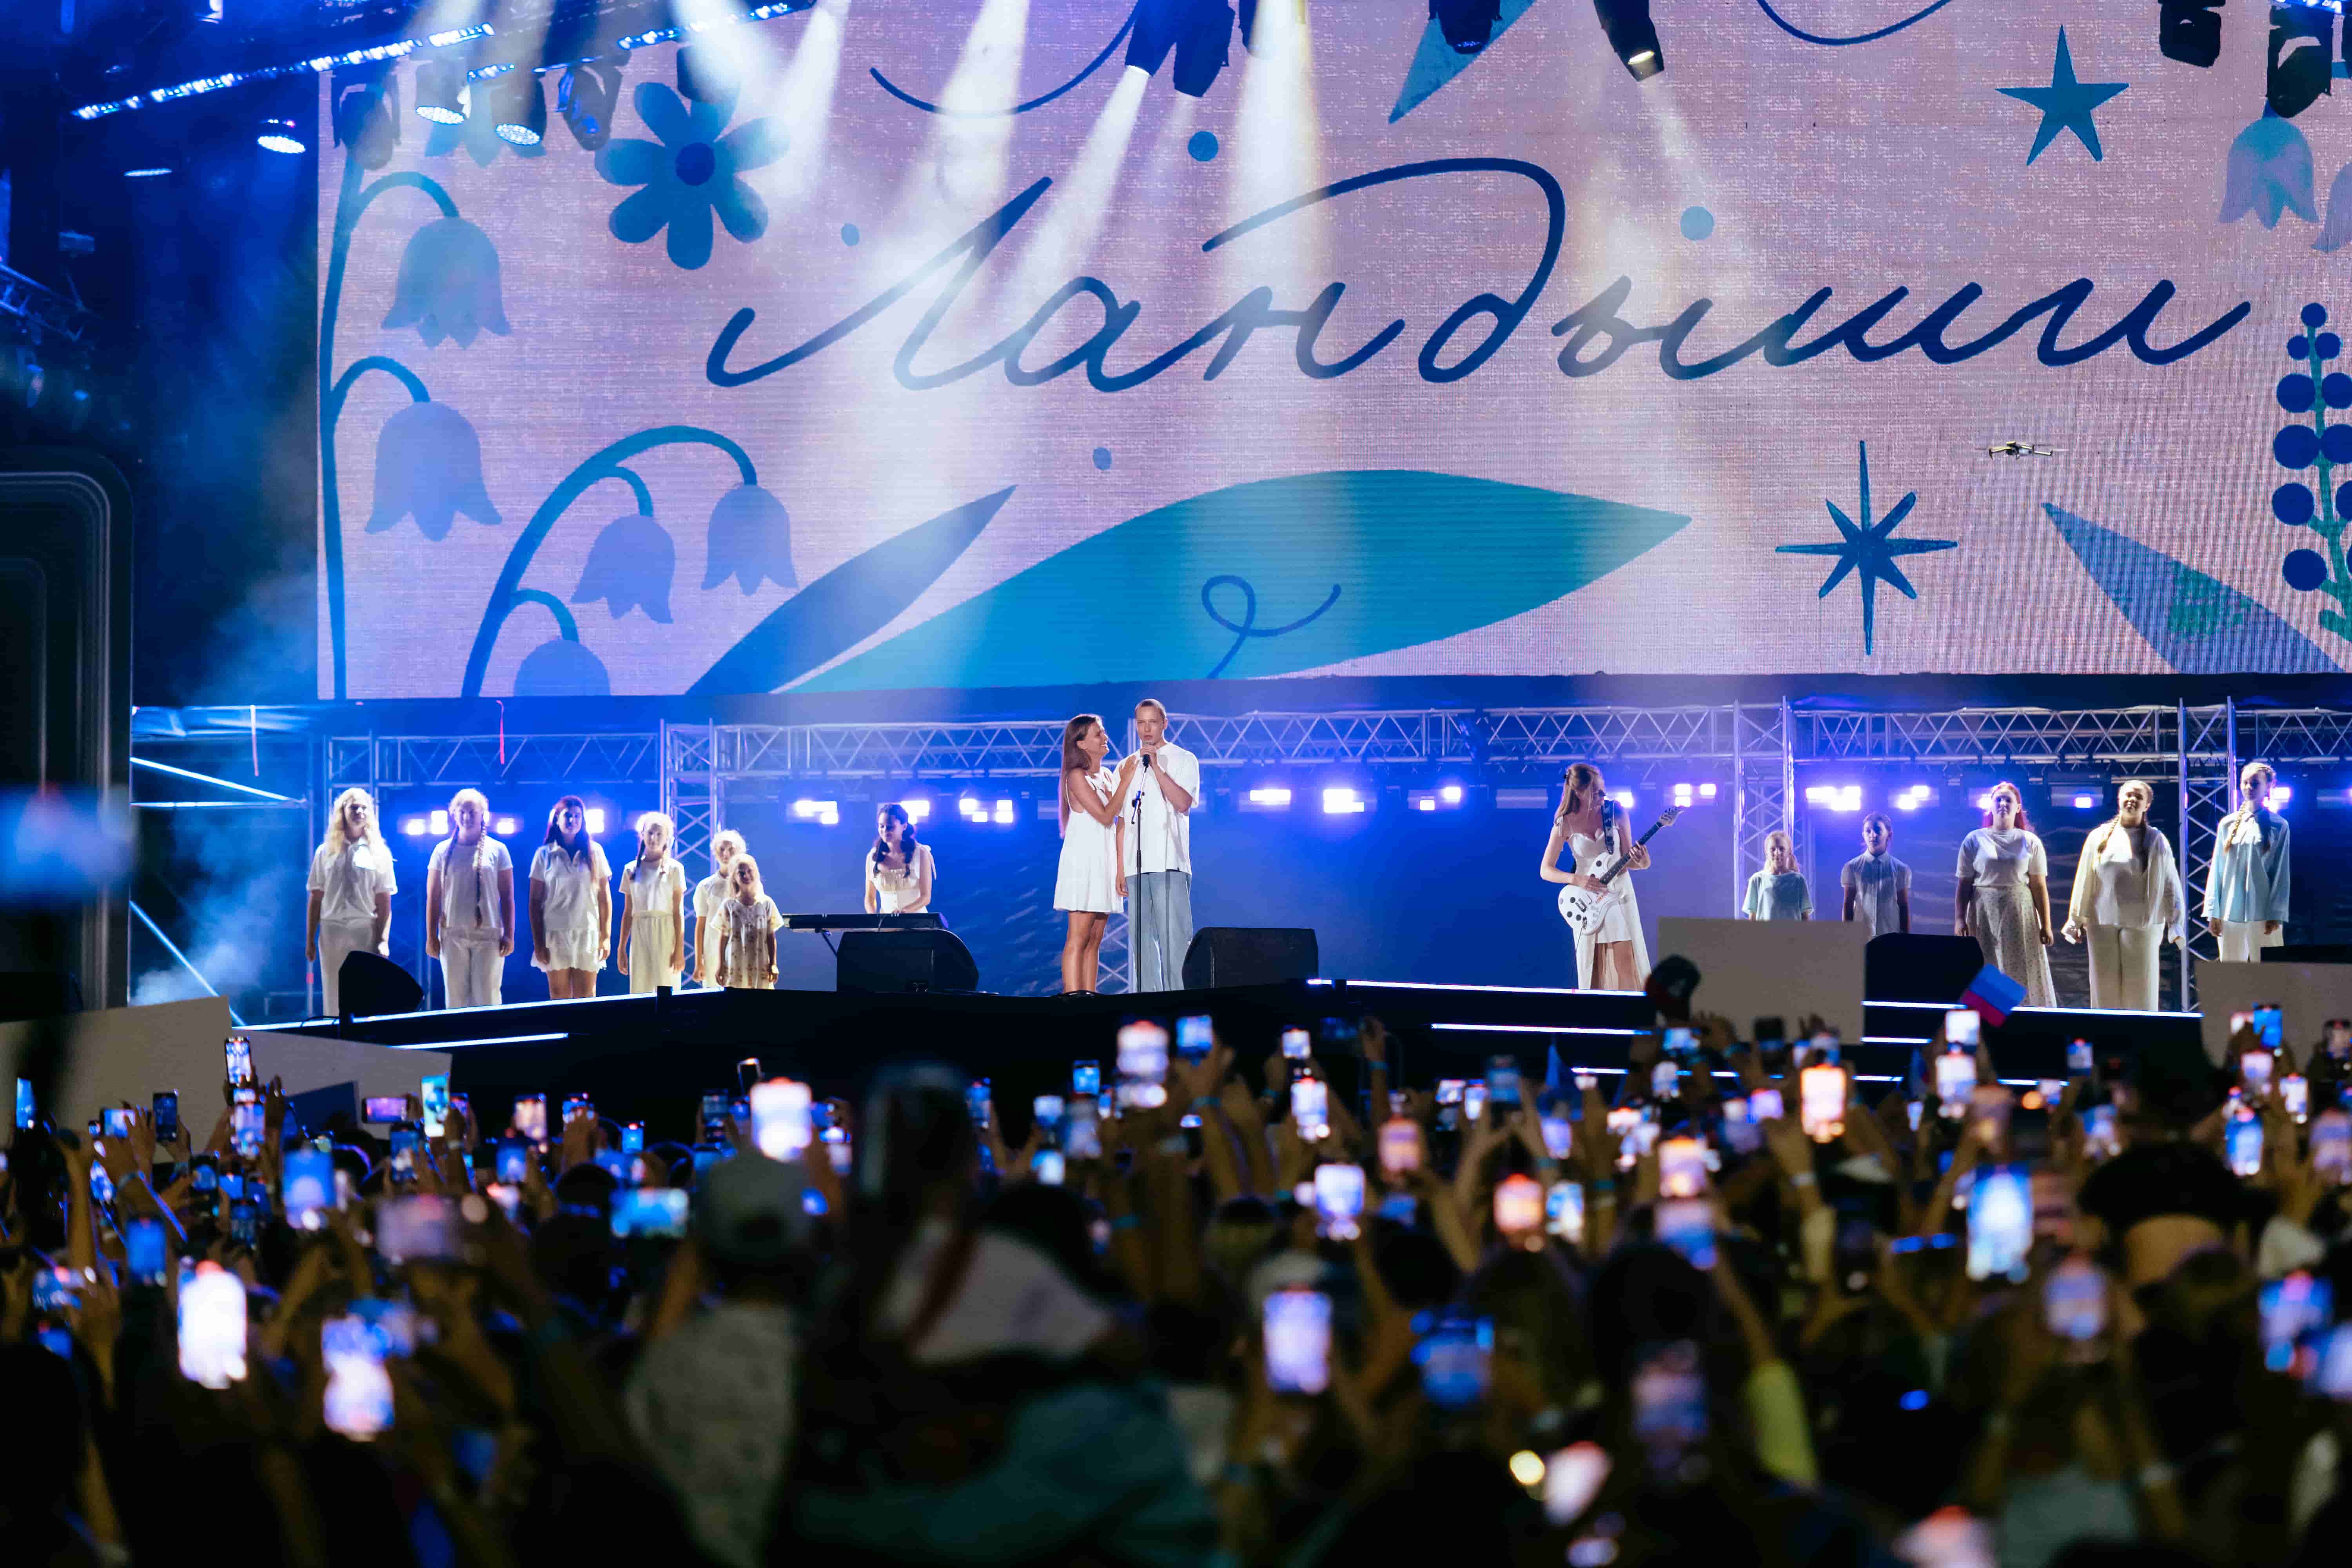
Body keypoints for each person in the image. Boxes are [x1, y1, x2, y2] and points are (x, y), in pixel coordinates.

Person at [2063, 780, 2186, 1011]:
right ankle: (2107, 1031)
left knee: (2141, 993)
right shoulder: (2098, 837)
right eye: (2129, 795)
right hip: (2101, 921)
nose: (2132, 800)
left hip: (2142, 924)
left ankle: (2140, 1032)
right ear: (2119, 799)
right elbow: (2084, 878)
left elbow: (2170, 883)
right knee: (2104, 990)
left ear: (2147, 806)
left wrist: (2175, 923)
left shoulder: (2156, 840)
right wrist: (2076, 919)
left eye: (2139, 797)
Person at [1539, 762, 1650, 990]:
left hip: (1619, 894)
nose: (1603, 796)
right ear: (1579, 793)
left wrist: (1643, 861)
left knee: (1625, 962)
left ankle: (1631, 1010)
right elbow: (1546, 870)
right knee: (1593, 967)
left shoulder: (1616, 812)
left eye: (1603, 790)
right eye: (1596, 792)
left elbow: (1629, 861)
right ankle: (1596, 1010)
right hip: (1587, 899)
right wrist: (1577, 880)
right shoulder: (1564, 823)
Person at [1119, 698, 1201, 992]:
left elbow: (1183, 803)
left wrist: (1155, 766)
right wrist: (1120, 869)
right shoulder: (1126, 765)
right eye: (1141, 723)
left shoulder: (1184, 759)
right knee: (1141, 945)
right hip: (1136, 867)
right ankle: (1148, 1004)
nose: (1147, 729)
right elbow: (1122, 820)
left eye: (1152, 722)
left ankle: (1179, 1002)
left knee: (1174, 941)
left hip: (1170, 863)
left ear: (1164, 724)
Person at [1955, 780, 2055, 1007]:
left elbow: (2039, 886)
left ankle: (2021, 1016)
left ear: (2018, 807)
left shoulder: (2030, 841)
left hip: (2019, 912)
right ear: (1990, 806)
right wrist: (1960, 919)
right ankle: (1990, 1019)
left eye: (2008, 800)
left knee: (2019, 965)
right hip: (1983, 912)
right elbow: (1964, 884)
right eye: (1998, 799)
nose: (2003, 803)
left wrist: (2046, 925)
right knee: (1988, 967)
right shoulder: (1974, 840)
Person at [305, 785, 397, 1016]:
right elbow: (316, 898)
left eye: (364, 808)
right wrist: (310, 939)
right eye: (354, 807)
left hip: (364, 930)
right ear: (343, 811)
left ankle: (364, 1038)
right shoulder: (325, 852)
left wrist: (383, 940)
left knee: (363, 994)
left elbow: (385, 902)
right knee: (333, 993)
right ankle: (335, 1037)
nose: (359, 812)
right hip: (332, 931)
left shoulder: (380, 853)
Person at [424, 788, 515, 1010]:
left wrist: (510, 935)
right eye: (462, 812)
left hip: (489, 934)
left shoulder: (498, 850)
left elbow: (508, 897)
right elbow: (433, 897)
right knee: (456, 999)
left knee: (488, 997)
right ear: (454, 815)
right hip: (452, 934)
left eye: (472, 812)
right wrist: (431, 936)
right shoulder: (441, 851)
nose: (467, 817)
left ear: (483, 814)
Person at [1054, 713, 1125, 993]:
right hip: (1084, 862)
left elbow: (1120, 820)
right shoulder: (1076, 776)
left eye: (1103, 732)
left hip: (1104, 861)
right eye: (1098, 734)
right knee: (1079, 937)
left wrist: (1120, 869)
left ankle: (1089, 995)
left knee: (1095, 938)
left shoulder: (1106, 775)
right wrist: (1126, 781)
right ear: (1081, 744)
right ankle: (1073, 998)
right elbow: (1106, 816)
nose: (1105, 737)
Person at [2205, 759, 2291, 962]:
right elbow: (2217, 870)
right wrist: (2213, 911)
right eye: (2245, 783)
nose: (2249, 787)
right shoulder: (2227, 824)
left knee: (2270, 972)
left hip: (2264, 912)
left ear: (2268, 786)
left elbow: (2281, 874)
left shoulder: (2280, 826)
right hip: (2229, 912)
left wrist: (2276, 914)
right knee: (2232, 973)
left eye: (2255, 783)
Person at [530, 795, 612, 1001]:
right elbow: (534, 903)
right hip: (555, 934)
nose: (572, 820)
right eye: (568, 816)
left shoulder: (595, 852)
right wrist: (539, 943)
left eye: (577, 816)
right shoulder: (544, 854)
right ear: (557, 819)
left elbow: (604, 899)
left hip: (588, 933)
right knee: (559, 996)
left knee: (587, 996)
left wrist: (606, 937)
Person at [617, 811, 688, 993]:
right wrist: (622, 947)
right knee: (640, 988)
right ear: (642, 835)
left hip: (666, 932)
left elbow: (678, 912)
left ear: (667, 838)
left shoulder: (675, 869)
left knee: (666, 986)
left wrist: (679, 948)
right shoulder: (631, 870)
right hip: (640, 932)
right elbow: (628, 912)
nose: (654, 839)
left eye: (659, 834)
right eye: (650, 833)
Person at [713, 853, 781, 991]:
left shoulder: (766, 904)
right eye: (741, 873)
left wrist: (773, 964)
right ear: (734, 877)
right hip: (736, 963)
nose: (746, 876)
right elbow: (724, 937)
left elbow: (771, 936)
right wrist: (721, 965)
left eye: (750, 871)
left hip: (760, 962)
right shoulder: (729, 905)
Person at [1840, 812, 1911, 936]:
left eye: (1878, 830)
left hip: (1890, 937)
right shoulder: (1852, 867)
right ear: (1863, 835)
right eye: (1868, 831)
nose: (1873, 835)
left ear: (1889, 834)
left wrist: (1905, 938)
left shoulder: (1900, 869)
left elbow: (1903, 906)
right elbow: (1848, 905)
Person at [691, 829, 746, 988]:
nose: (726, 854)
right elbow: (701, 926)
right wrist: (699, 962)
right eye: (722, 849)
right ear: (715, 852)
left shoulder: (749, 884)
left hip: (743, 949)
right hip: (713, 950)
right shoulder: (705, 886)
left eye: (731, 850)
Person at [864, 802, 935, 915]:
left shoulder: (921, 853)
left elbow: (926, 897)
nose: (885, 831)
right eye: (882, 826)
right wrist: (873, 918)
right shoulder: (872, 856)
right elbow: (870, 898)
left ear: (904, 826)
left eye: (890, 827)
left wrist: (904, 912)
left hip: (917, 922)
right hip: (885, 924)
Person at [1742, 829, 1812, 920]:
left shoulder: (1799, 880)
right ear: (1767, 853)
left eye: (1782, 849)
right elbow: (1753, 917)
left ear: (1789, 852)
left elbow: (1805, 917)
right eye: (1773, 849)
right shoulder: (1757, 879)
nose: (1777, 853)